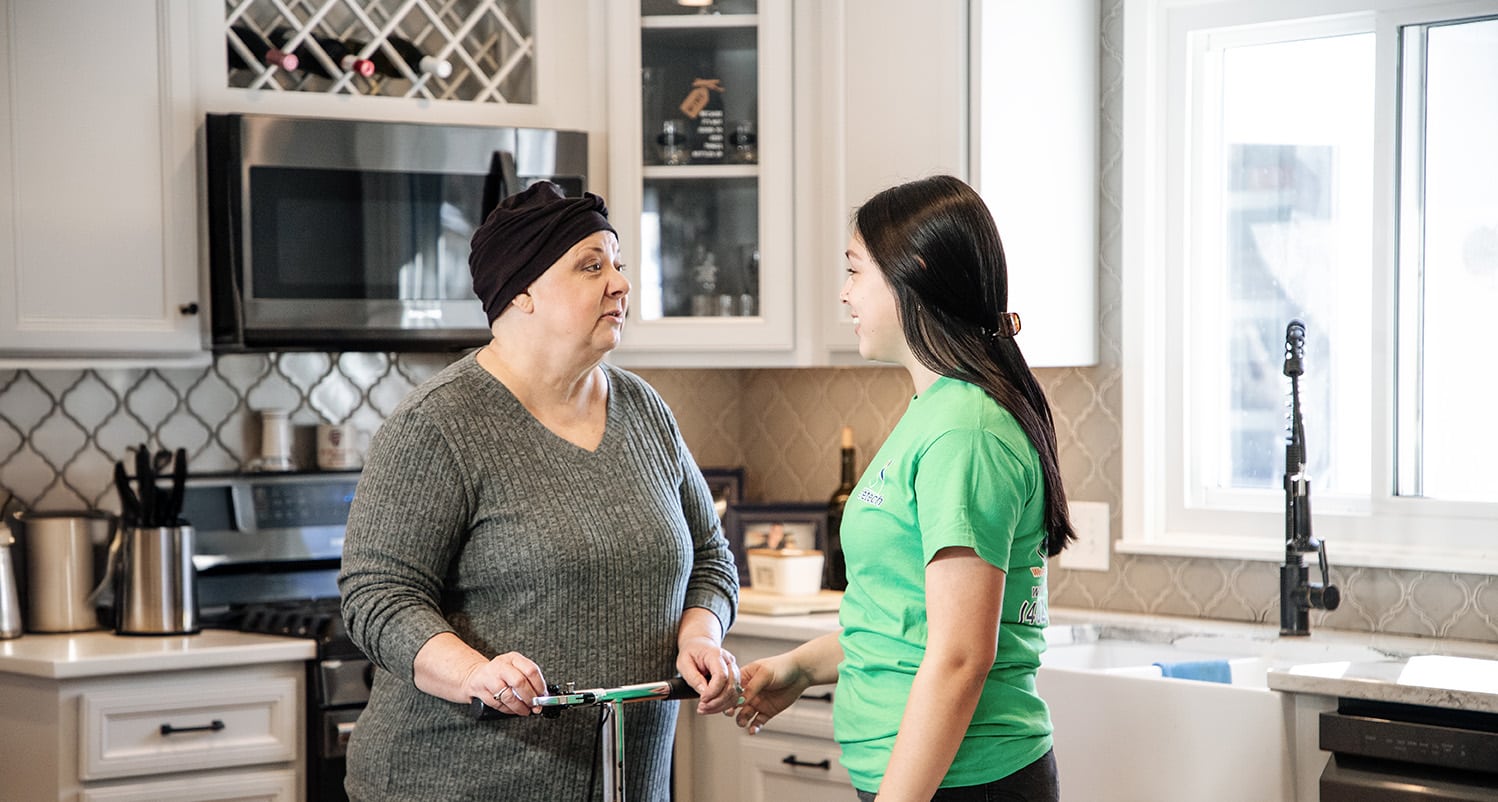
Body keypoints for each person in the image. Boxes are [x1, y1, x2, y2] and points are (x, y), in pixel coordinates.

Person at [339, 181, 742, 801]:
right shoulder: (439, 424)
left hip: (626, 784)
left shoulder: (644, 409)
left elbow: (711, 558)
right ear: (521, 291)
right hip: (452, 785)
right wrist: (473, 673)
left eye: (617, 264)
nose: (620, 284)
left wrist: (700, 637)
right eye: (591, 266)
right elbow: (377, 596)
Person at [732, 175, 1074, 801]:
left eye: (854, 271)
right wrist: (800, 667)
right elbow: (905, 622)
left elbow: (961, 657)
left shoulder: (965, 432)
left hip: (967, 781)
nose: (844, 293)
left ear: (911, 272)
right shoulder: (936, 412)